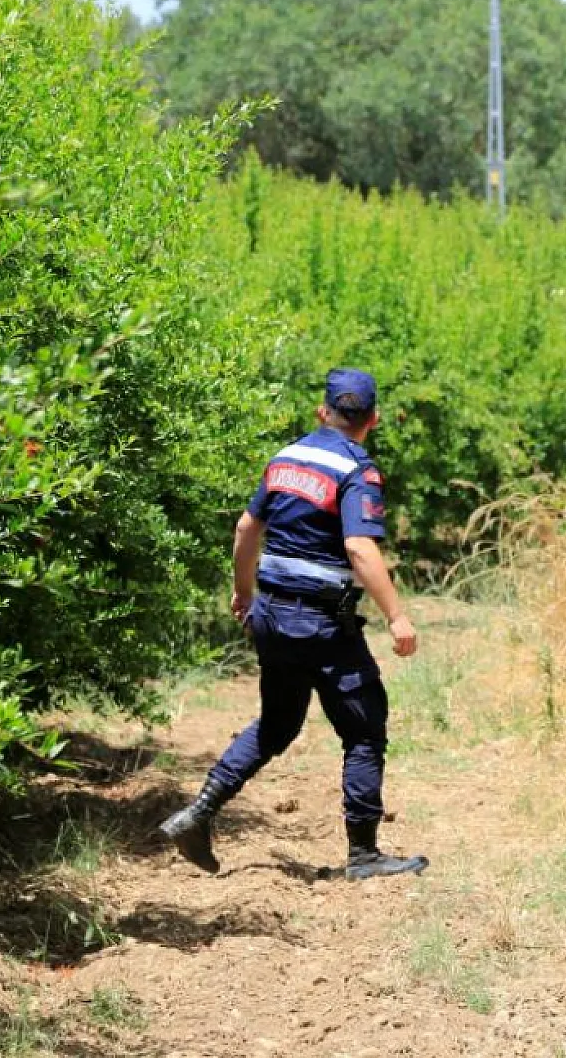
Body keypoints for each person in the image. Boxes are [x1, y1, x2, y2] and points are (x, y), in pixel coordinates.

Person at [160, 368, 428, 881]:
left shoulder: (285, 459)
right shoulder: (357, 470)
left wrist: (243, 594)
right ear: (372, 420)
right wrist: (398, 615)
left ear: (321, 412)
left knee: (278, 724)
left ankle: (197, 815)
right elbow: (358, 547)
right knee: (364, 727)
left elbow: (246, 527)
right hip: (321, 624)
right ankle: (364, 855)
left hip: (273, 615)